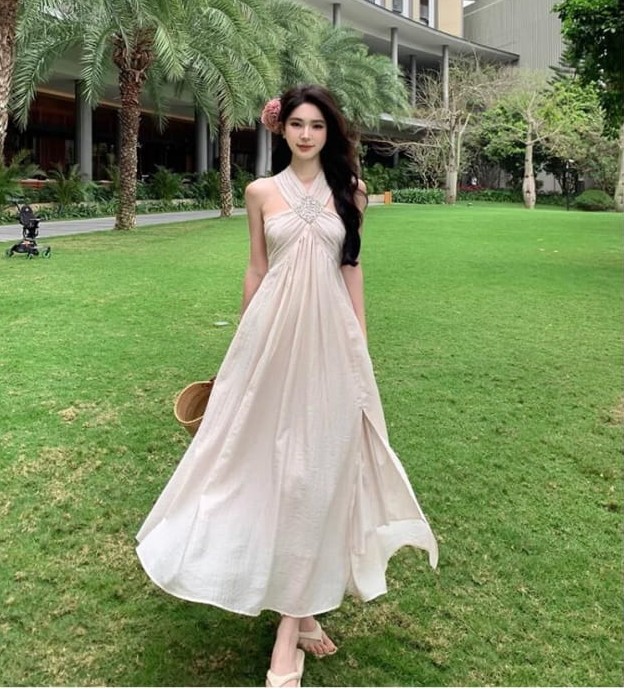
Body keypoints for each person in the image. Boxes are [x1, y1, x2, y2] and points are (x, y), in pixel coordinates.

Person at [135, 84, 439, 687]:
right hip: (270, 342)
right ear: (282, 129)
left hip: (330, 345)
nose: (306, 135)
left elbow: (352, 271)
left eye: (317, 126)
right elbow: (256, 269)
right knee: (260, 468)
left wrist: (361, 349)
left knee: (316, 475)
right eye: (297, 124)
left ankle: (290, 628)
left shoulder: (352, 193)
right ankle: (295, 614)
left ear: (330, 133)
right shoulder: (260, 193)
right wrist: (241, 348)